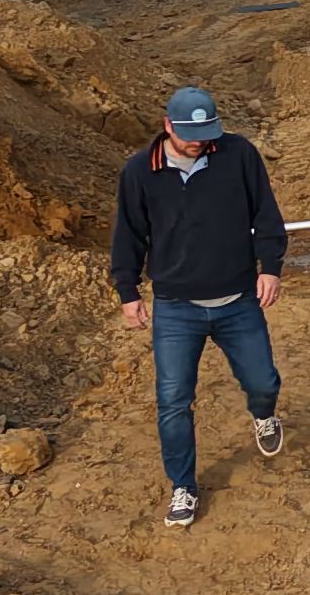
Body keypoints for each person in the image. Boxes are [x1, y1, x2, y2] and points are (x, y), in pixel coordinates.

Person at [111, 85, 288, 529]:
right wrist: (128, 291)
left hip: (238, 299)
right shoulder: (140, 172)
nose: (198, 143)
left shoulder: (238, 155)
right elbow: (128, 235)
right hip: (176, 308)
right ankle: (183, 486)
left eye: (206, 133)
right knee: (173, 401)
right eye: (190, 135)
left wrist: (270, 268)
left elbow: (266, 215)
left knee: (263, 381)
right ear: (167, 126)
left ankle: (263, 415)